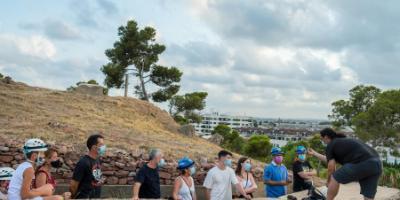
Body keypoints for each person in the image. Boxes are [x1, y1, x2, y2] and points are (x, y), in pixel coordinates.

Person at [308, 128, 382, 200]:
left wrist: (329, 181)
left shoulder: (331, 144)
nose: (322, 141)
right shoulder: (343, 142)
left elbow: (331, 167)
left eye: (322, 139)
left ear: (326, 137)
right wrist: (314, 153)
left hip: (363, 163)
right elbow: (329, 160)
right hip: (377, 165)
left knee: (334, 177)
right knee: (368, 196)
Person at [70, 134, 106, 199]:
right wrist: (73, 196)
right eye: (101, 145)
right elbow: (73, 185)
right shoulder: (83, 162)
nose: (104, 147)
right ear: (94, 147)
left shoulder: (98, 160)